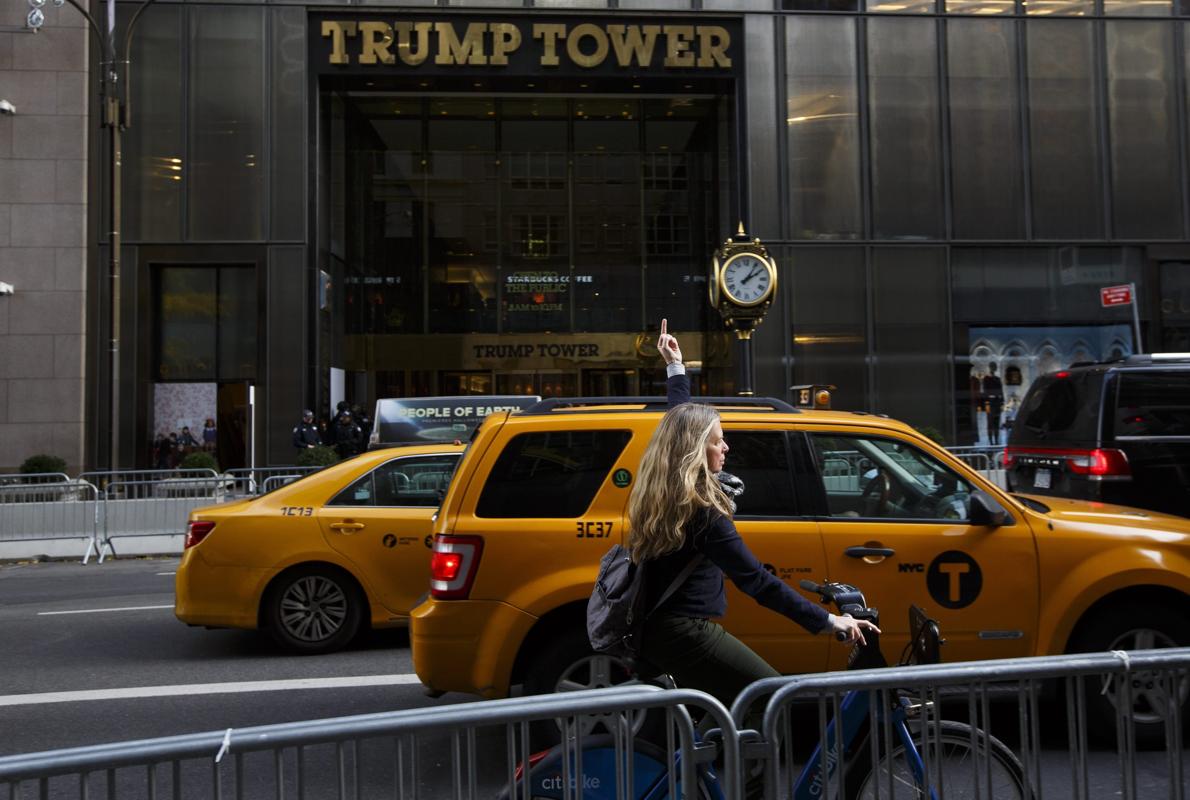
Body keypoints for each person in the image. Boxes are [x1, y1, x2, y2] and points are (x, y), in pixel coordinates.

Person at [630, 319, 879, 720]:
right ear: (697, 452)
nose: (726, 447)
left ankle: (712, 773)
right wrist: (829, 621)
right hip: (685, 630)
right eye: (717, 441)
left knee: (723, 713)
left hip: (658, 628)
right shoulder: (705, 513)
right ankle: (748, 781)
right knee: (769, 701)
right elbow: (757, 583)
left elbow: (681, 421)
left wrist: (676, 367)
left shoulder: (669, 491)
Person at [981, 363, 1004, 445]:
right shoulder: (986, 379)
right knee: (990, 423)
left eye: (995, 367)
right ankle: (991, 441)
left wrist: (1002, 402)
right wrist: (986, 403)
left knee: (996, 422)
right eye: (992, 367)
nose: (994, 368)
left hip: (997, 402)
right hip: (990, 402)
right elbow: (985, 391)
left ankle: (997, 440)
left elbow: (1001, 391)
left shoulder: (997, 379)